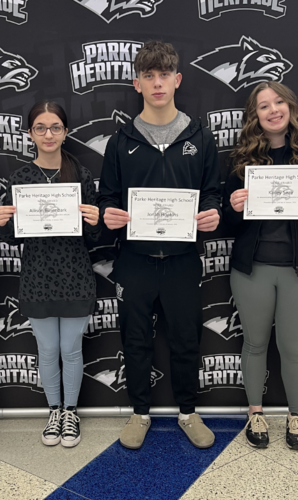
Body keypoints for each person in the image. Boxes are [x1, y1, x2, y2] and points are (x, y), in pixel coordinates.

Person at [98, 40, 222, 450]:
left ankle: (188, 411)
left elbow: (212, 193)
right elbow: (108, 198)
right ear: (137, 83)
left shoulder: (200, 136)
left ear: (177, 79)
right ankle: (140, 412)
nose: (157, 83)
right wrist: (109, 215)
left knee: (186, 338)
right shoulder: (121, 140)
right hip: (135, 259)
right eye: (148, 75)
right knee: (135, 339)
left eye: (164, 74)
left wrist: (212, 212)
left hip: (184, 258)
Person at [223, 81, 298, 450]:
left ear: (290, 107)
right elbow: (227, 224)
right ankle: (255, 412)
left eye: (278, 102)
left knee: (292, 347)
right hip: (253, 268)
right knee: (255, 344)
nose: (273, 110)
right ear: (254, 116)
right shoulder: (243, 158)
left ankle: (296, 415)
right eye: (263, 106)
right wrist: (234, 206)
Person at [0, 101, 101, 448]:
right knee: (47, 348)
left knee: (70, 350)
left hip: (75, 275)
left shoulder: (81, 175)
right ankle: (53, 410)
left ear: (65, 132)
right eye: (40, 127)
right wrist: (1, 224)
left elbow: (95, 237)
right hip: (38, 277)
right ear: (30, 134)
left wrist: (95, 220)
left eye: (55, 127)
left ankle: (70, 412)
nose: (48, 134)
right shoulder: (20, 179)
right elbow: (12, 237)